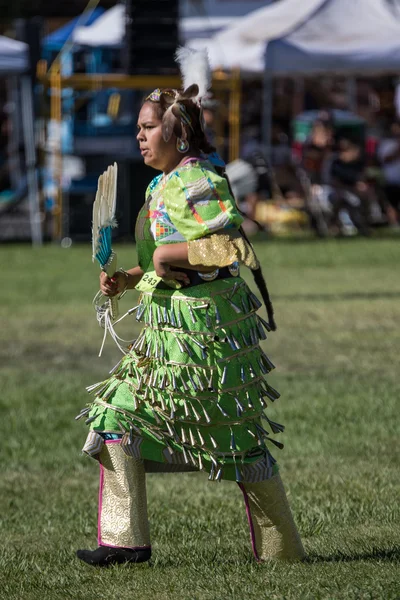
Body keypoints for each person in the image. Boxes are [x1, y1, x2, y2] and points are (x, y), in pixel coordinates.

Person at [76, 55, 305, 568]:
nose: (139, 137)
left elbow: (226, 249)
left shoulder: (198, 180)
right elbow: (174, 256)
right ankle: (124, 543)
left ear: (178, 134)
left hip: (208, 336)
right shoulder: (162, 184)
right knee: (115, 416)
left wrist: (164, 255)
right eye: (138, 128)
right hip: (169, 335)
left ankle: (281, 551)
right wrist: (131, 276)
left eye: (148, 127)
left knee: (239, 441)